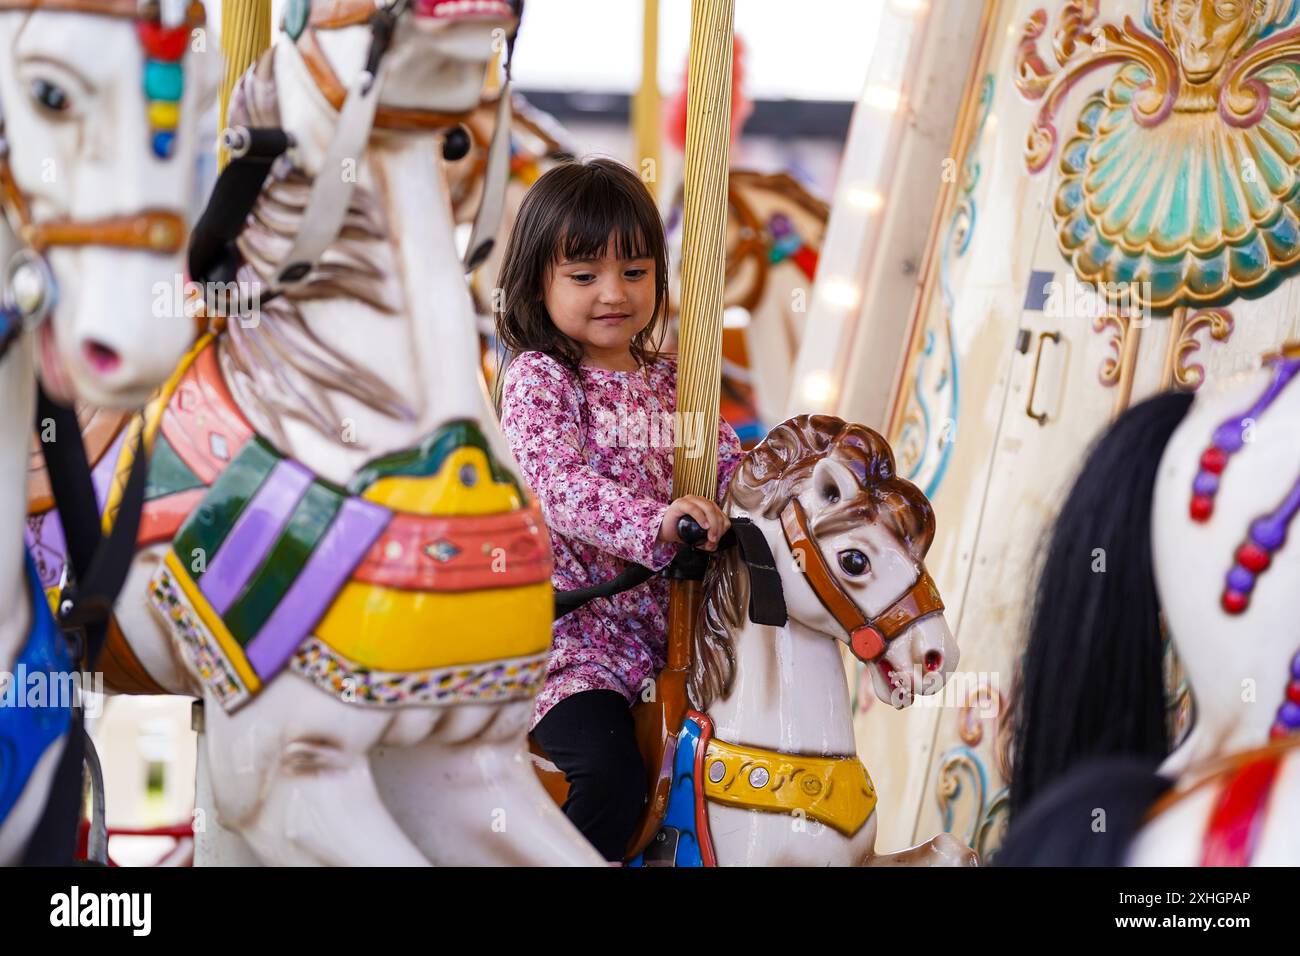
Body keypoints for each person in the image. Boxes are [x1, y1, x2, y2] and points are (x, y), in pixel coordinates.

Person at [495, 157, 743, 861]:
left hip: (686, 639)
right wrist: (654, 522)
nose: (614, 292)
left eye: (635, 272)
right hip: (578, 643)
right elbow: (556, 484)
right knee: (606, 776)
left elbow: (729, 468)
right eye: (584, 276)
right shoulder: (543, 379)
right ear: (537, 284)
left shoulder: (674, 378)